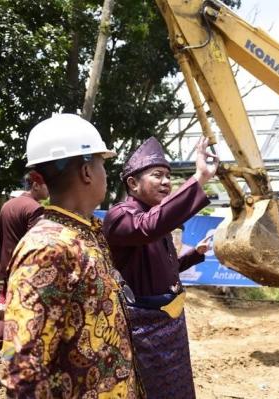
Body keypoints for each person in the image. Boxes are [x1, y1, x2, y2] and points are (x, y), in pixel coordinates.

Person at [0, 113, 140, 397]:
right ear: (87, 172)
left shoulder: (83, 234)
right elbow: (23, 370)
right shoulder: (48, 248)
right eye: (102, 164)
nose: (105, 173)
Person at [103, 136, 218, 398]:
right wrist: (198, 179)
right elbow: (148, 226)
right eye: (158, 175)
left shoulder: (158, 222)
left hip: (171, 323)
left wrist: (194, 254)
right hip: (145, 329)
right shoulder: (121, 215)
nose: (167, 182)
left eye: (168, 176)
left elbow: (165, 271)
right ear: (132, 183)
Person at [0, 172, 49, 386]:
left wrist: (4, 265)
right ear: (36, 185)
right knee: (24, 320)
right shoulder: (35, 209)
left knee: (6, 316)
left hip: (9, 270)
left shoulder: (8, 206)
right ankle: (13, 364)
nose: (49, 191)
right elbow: (36, 245)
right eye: (47, 186)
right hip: (27, 273)